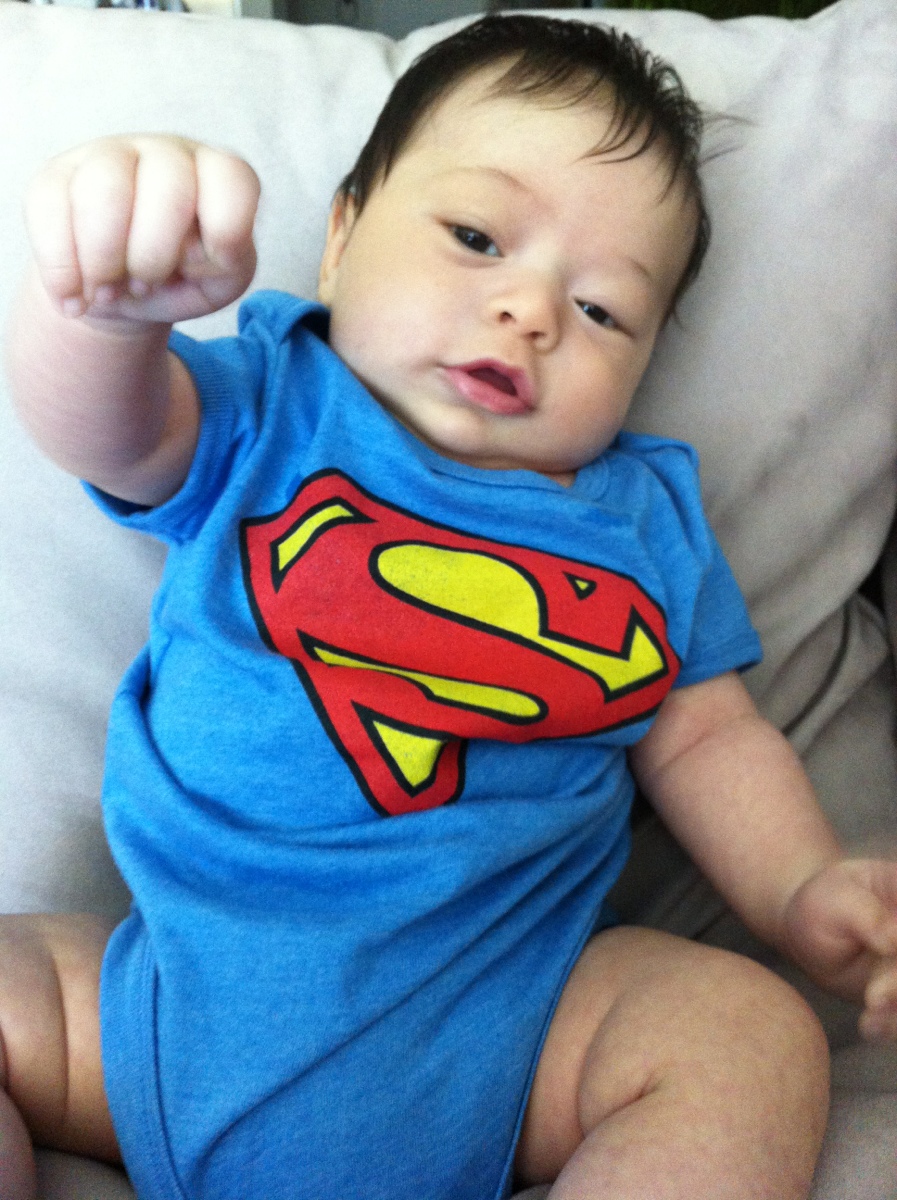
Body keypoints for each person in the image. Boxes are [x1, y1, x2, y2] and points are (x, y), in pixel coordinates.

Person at [5, 14, 897, 1200]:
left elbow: (710, 739)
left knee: (749, 1034)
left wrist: (800, 887)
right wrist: (103, 318)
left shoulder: (639, 526)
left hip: (509, 1027)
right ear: (340, 239)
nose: (531, 310)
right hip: (165, 1005)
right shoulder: (270, 408)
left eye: (603, 310)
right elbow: (111, 437)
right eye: (477, 237)